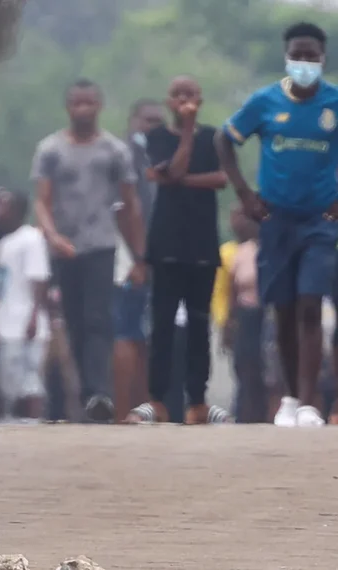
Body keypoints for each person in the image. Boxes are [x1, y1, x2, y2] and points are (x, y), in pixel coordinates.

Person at [214, 22, 338, 427]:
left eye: (312, 56)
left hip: (319, 223)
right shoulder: (265, 102)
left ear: (323, 58)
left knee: (309, 304)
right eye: (297, 55)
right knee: (283, 309)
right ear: (287, 57)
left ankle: (308, 402)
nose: (304, 62)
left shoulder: (333, 103)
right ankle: (287, 397)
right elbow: (225, 139)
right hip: (276, 221)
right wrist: (244, 194)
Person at [32, 78, 148, 422]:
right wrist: (52, 236)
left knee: (99, 318)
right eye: (76, 103)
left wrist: (139, 256)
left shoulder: (114, 151)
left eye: (89, 103)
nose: (83, 109)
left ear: (99, 106)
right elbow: (42, 200)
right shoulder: (50, 149)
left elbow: (130, 205)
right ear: (68, 107)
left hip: (101, 243)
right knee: (75, 322)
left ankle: (100, 393)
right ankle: (87, 393)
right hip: (65, 248)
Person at [127, 75, 228, 424]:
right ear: (169, 102)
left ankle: (197, 401)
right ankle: (158, 400)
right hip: (166, 242)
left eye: (191, 95)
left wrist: (177, 180)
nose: (184, 100)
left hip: (201, 243)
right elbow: (174, 166)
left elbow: (221, 178)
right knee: (163, 324)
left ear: (200, 100)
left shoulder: (214, 137)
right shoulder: (155, 138)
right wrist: (186, 133)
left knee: (200, 326)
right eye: (178, 95)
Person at [113, 98, 165, 420]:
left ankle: (146, 407)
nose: (152, 127)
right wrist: (137, 258)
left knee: (148, 336)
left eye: (159, 121)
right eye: (148, 120)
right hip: (129, 258)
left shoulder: (157, 159)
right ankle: (122, 411)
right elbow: (122, 212)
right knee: (127, 332)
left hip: (154, 257)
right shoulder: (124, 156)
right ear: (133, 120)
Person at [0, 189, 51, 421]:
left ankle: (34, 420)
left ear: (17, 210)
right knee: (8, 378)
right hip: (6, 322)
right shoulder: (4, 242)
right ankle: (11, 420)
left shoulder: (31, 238)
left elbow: (39, 279)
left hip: (26, 322)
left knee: (30, 379)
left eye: (3, 206)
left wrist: (35, 316)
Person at [222, 206, 267, 422]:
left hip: (269, 317)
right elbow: (233, 290)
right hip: (246, 316)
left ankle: (267, 415)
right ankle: (244, 416)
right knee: (245, 367)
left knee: (268, 371)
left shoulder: (274, 249)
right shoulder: (243, 252)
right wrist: (229, 324)